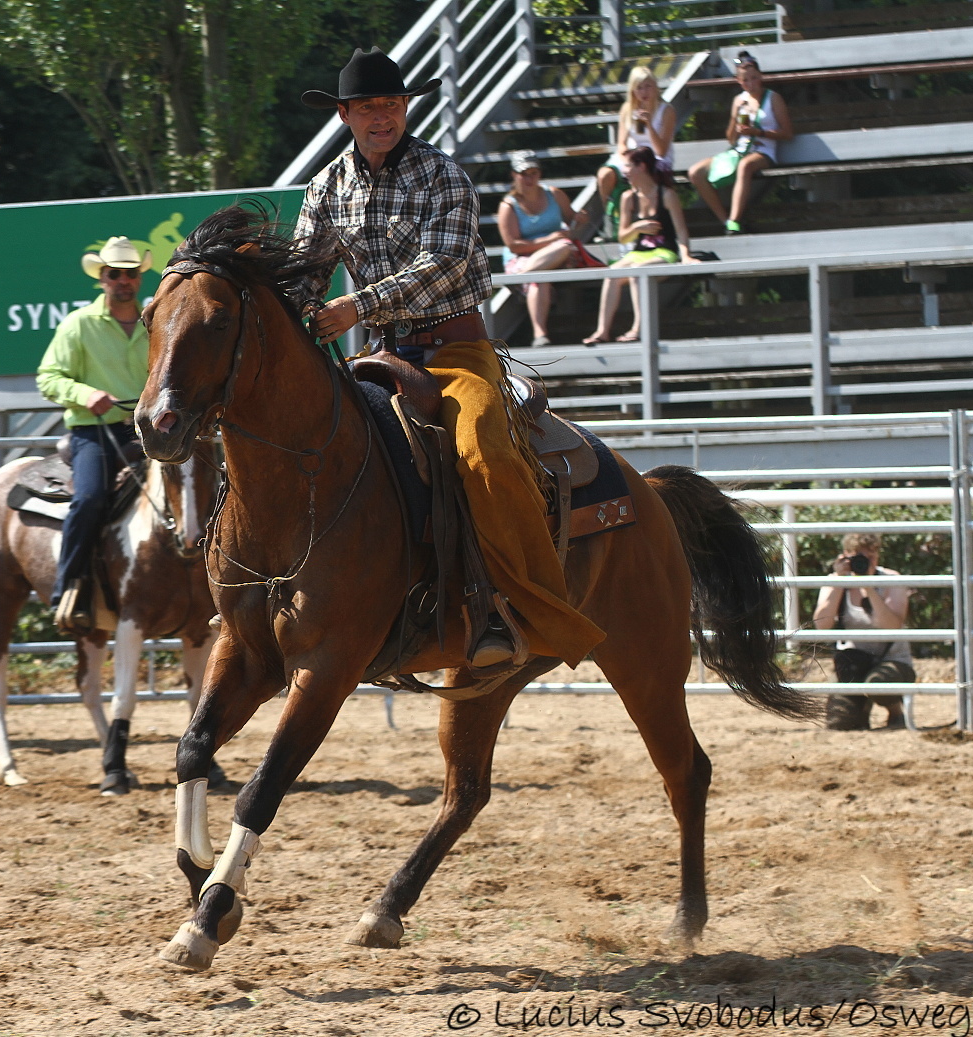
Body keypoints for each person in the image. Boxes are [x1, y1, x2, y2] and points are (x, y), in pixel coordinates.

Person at [295, 47, 605, 672]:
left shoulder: (444, 175)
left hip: (456, 349)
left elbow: (445, 262)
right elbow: (306, 268)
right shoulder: (326, 187)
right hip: (379, 356)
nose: (381, 116)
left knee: (484, 455)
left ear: (406, 107)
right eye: (366, 108)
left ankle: (507, 605)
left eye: (390, 104)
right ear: (345, 117)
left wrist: (357, 304)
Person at [36, 236, 152, 635]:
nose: (123, 280)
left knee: (204, 488)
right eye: (114, 274)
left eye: (130, 273)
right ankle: (68, 588)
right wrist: (87, 394)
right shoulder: (78, 325)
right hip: (93, 432)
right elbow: (48, 377)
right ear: (101, 278)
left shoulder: (155, 320)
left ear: (140, 277)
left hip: (146, 431)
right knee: (87, 500)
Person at [583, 146, 698, 344]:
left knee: (638, 272)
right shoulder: (628, 198)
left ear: (641, 166)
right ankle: (602, 331)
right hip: (638, 253)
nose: (624, 171)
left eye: (627, 166)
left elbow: (681, 232)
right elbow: (623, 238)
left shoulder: (667, 195)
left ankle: (638, 328)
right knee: (611, 273)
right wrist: (637, 227)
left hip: (664, 253)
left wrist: (686, 255)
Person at [812, 533, 914, 730]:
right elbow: (821, 625)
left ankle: (896, 712)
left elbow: (891, 626)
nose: (865, 561)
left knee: (878, 683)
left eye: (871, 555)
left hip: (893, 660)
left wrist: (868, 587)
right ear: (845, 556)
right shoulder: (835, 581)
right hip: (853, 663)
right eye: (859, 556)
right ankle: (861, 708)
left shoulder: (891, 580)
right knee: (840, 723)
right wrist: (839, 583)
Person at [687, 51, 793, 236]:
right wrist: (736, 123)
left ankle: (735, 221)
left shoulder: (773, 98)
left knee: (745, 166)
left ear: (760, 76)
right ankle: (725, 220)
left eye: (753, 78)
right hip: (739, 150)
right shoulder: (739, 101)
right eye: (745, 80)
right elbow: (730, 138)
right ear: (738, 81)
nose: (750, 84)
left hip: (764, 150)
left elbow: (787, 133)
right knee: (695, 172)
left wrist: (758, 132)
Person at [497, 150, 592, 347]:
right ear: (514, 175)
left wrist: (580, 219)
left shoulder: (554, 195)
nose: (529, 178)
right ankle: (540, 334)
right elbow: (513, 245)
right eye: (524, 173)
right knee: (540, 279)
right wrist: (548, 241)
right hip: (525, 257)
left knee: (564, 246)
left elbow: (571, 219)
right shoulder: (508, 206)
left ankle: (519, 279)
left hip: (554, 255)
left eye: (534, 173)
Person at [593, 65, 676, 240]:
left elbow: (662, 149)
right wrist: (627, 162)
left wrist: (649, 126)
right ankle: (611, 218)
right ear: (632, 90)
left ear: (655, 87)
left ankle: (648, 223)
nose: (644, 92)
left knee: (642, 173)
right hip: (632, 155)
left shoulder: (666, 111)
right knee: (604, 174)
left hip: (656, 156)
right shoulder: (627, 109)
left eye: (648, 86)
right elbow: (621, 143)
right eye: (639, 87)